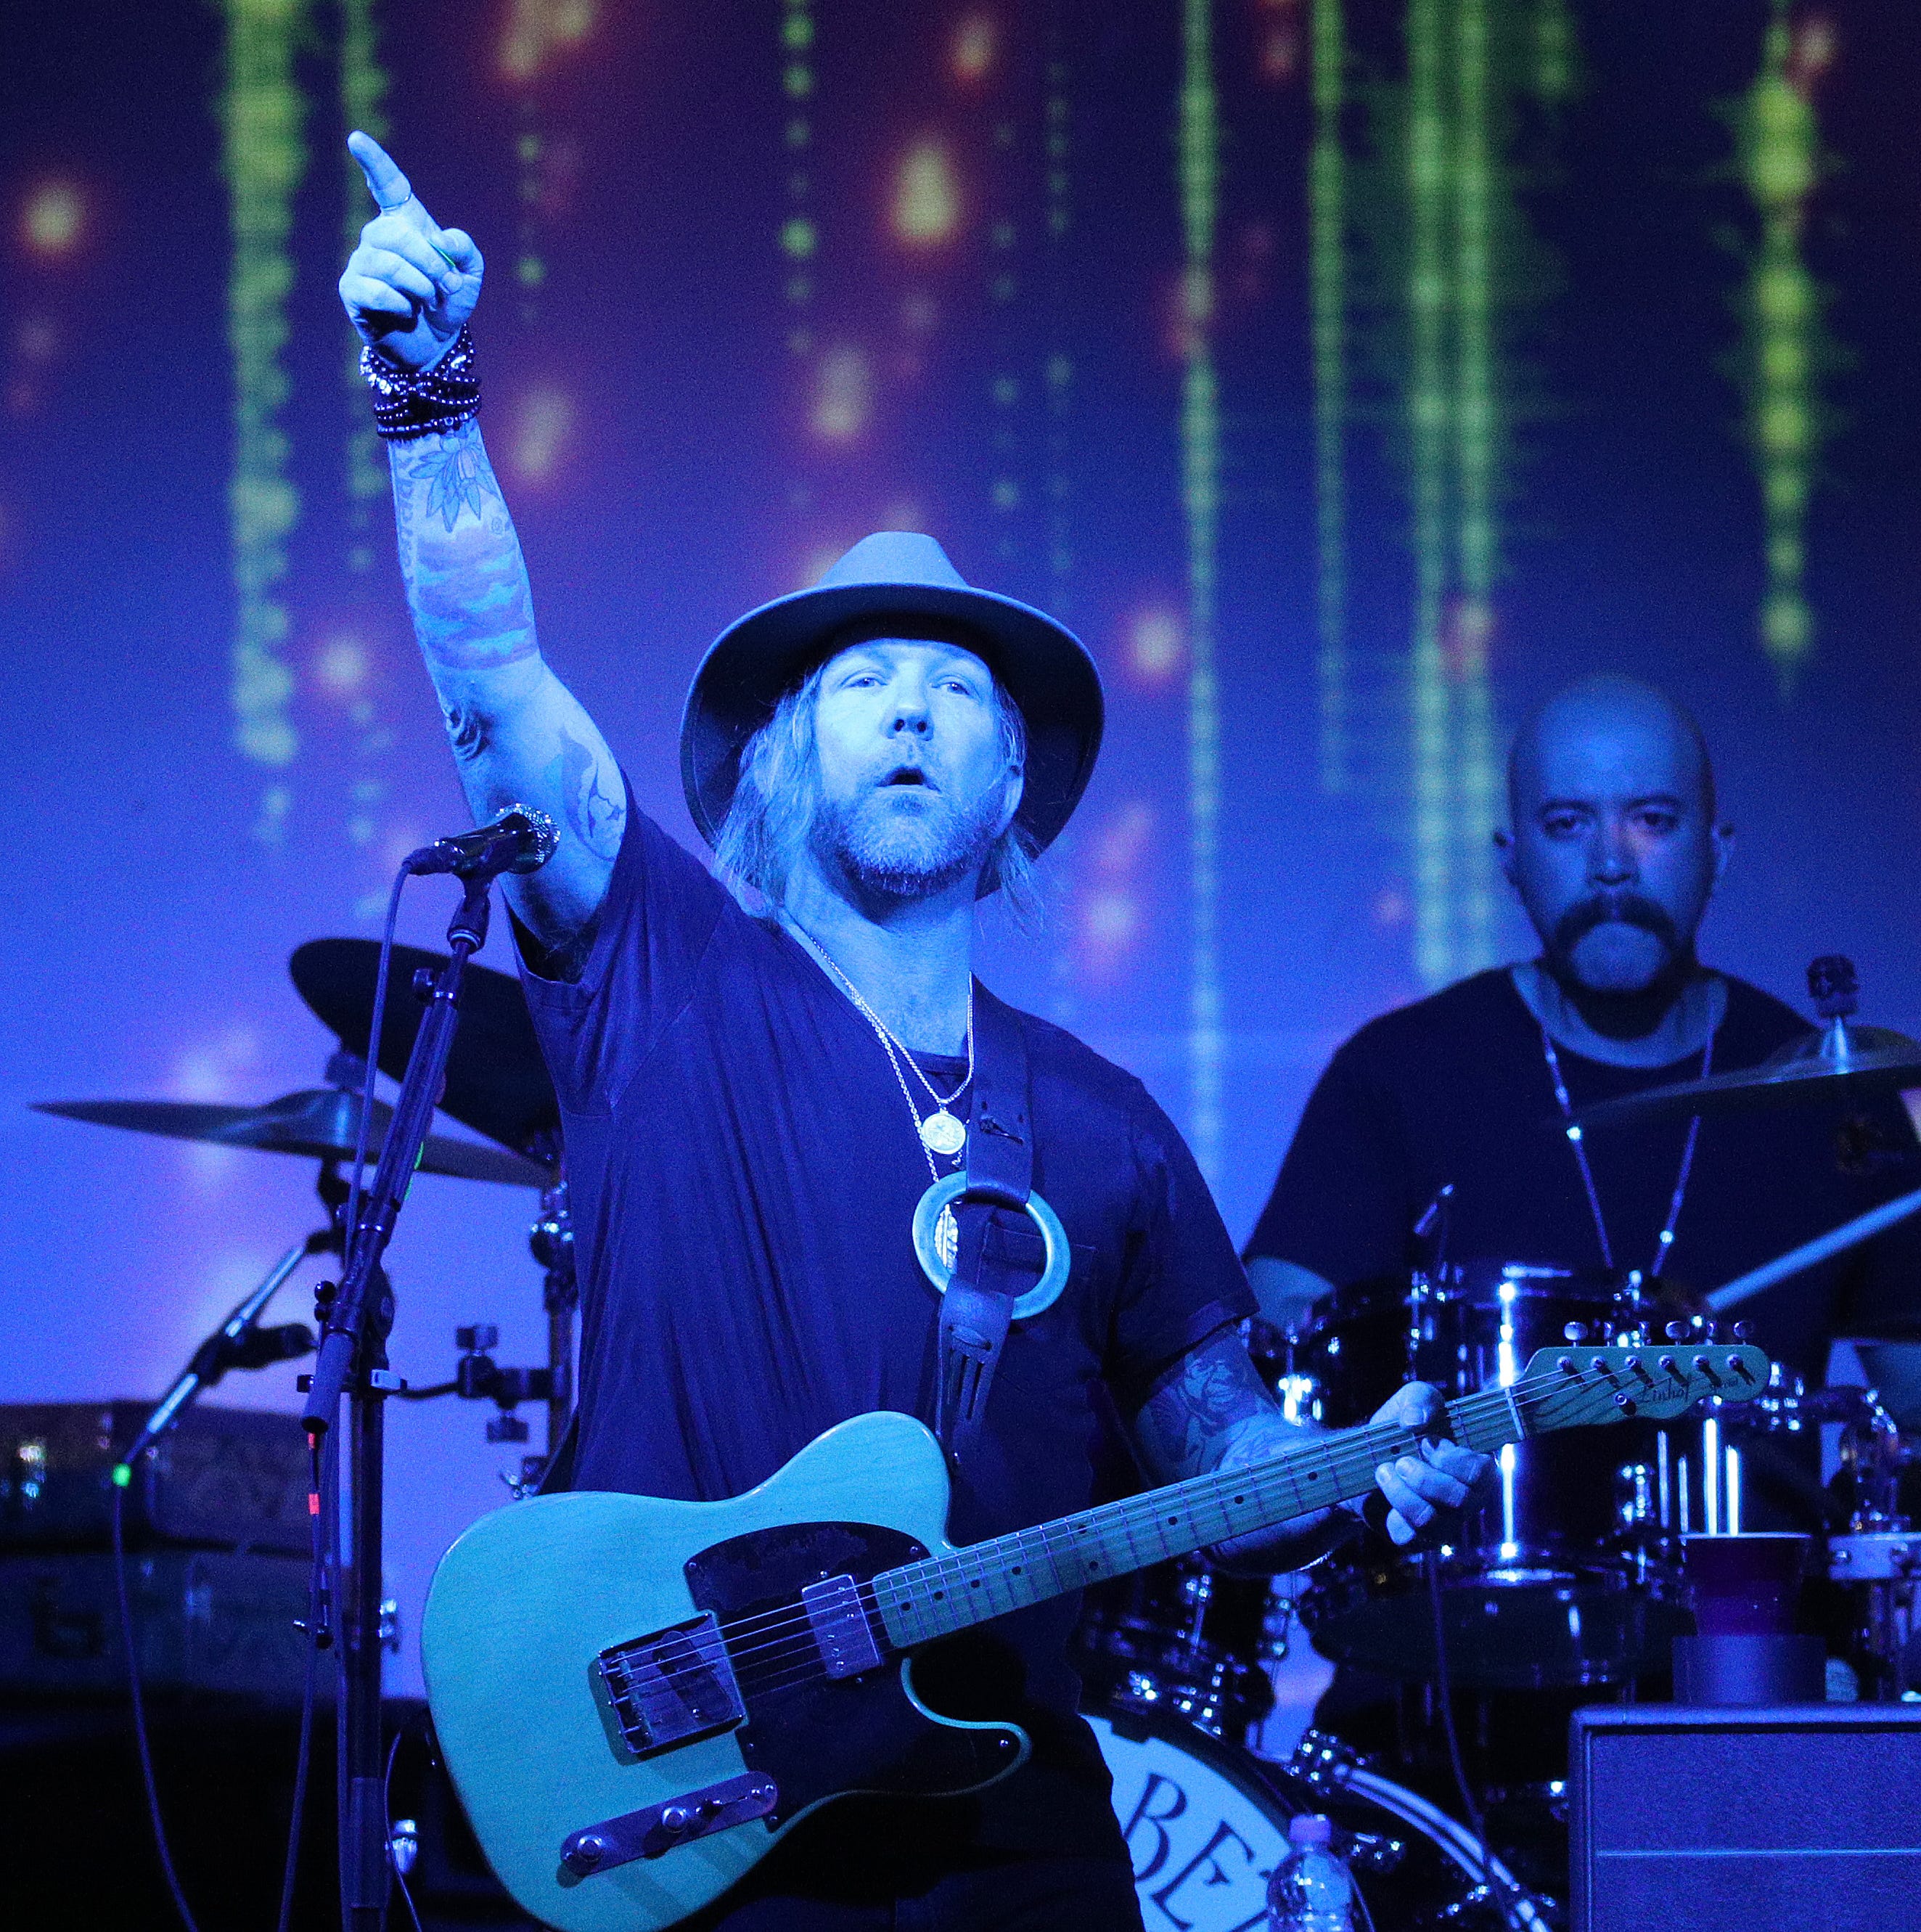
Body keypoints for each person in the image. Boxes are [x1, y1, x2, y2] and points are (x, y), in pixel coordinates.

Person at [337, 134, 1493, 1931]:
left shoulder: (1097, 1122)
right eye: (860, 681)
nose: (909, 713)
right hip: (699, 1815)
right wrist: (425, 393)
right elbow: (499, 703)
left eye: (956, 690)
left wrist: (1360, 1461)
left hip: (1003, 1816)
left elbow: (1216, 1448)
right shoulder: (672, 971)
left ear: (1012, 777)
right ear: (784, 755)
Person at [1246, 671, 1921, 1425]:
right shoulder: (1399, 1070)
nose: (1611, 863)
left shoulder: (1834, 1097)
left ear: (1716, 853)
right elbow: (1275, 1331)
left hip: (1758, 1541)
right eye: (1567, 823)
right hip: (1487, 1533)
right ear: (1511, 863)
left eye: (1653, 820)